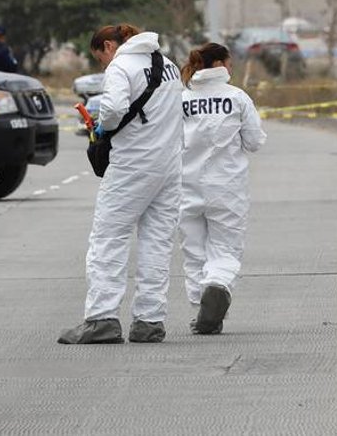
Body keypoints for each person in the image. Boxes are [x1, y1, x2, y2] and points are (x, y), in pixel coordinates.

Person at [59, 24, 183, 345]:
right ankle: (149, 321)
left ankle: (102, 319)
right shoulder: (166, 64)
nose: (102, 64)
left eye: (100, 57)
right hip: (169, 166)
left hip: (132, 166)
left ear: (109, 45)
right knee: (157, 241)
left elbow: (112, 110)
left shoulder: (121, 66)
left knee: (108, 238)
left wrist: (102, 129)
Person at [178, 42, 267, 335]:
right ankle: (217, 285)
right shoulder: (237, 97)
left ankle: (200, 307)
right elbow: (254, 141)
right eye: (229, 64)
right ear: (218, 64)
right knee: (226, 247)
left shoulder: (182, 97)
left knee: (193, 250)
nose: (231, 69)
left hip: (186, 186)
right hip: (226, 187)